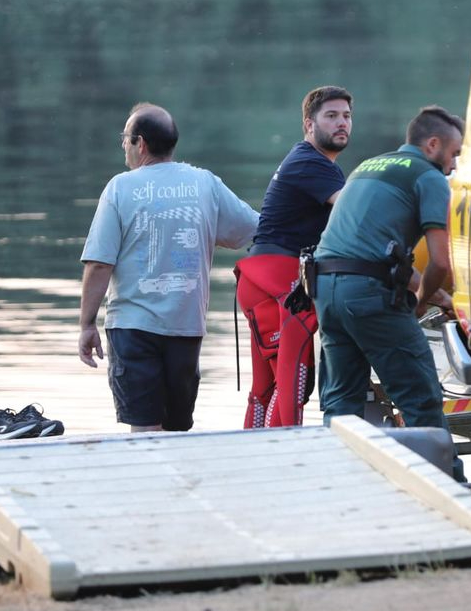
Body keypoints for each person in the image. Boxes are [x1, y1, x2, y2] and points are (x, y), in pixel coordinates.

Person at [78, 102, 258, 432]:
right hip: (186, 329)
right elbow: (254, 231)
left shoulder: (120, 188)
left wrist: (86, 325)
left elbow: (99, 264)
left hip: (133, 328)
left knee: (144, 432)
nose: (123, 145)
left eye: (126, 138)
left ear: (141, 144)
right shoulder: (205, 184)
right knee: (176, 432)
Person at [312, 105, 466, 479]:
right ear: (433, 145)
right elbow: (441, 262)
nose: (453, 166)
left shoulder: (367, 167)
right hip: (368, 293)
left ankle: (342, 484)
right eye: (454, 154)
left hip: (325, 288)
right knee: (420, 394)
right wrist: (421, 301)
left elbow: (370, 249)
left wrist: (434, 296)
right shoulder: (429, 177)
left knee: (341, 402)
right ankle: (449, 485)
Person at [235, 85, 352, 428]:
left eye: (347, 116)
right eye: (331, 116)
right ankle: (284, 454)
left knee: (266, 388)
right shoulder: (311, 162)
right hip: (280, 283)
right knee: (292, 386)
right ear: (309, 124)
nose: (342, 123)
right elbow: (355, 212)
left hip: (259, 280)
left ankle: (254, 454)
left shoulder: (308, 161)